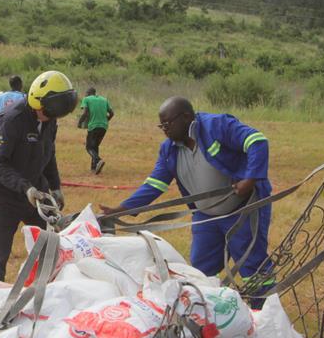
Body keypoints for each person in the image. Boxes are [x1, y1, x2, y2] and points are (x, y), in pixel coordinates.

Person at [99, 96, 273, 306]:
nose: (164, 130)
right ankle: (210, 309)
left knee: (251, 266)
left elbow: (257, 141)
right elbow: (155, 184)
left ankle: (264, 311)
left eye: (167, 124)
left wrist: (250, 179)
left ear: (186, 117)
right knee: (200, 270)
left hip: (241, 211)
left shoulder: (217, 126)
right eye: (161, 125)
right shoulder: (169, 149)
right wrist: (122, 209)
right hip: (206, 218)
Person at [0, 70, 78, 282]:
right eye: (48, 113)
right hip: (2, 196)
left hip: (35, 194)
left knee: (52, 248)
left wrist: (55, 186)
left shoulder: (49, 118)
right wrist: (25, 187)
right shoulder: (10, 120)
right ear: (37, 103)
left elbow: (48, 153)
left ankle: (44, 294)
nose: (51, 119)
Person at [77, 87, 114, 174]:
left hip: (93, 126)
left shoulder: (86, 99)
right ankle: (94, 168)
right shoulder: (104, 99)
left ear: (88, 93)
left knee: (89, 147)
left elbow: (85, 113)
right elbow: (112, 113)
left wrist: (79, 122)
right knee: (95, 146)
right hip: (104, 127)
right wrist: (106, 120)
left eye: (86, 94)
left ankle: (98, 160)